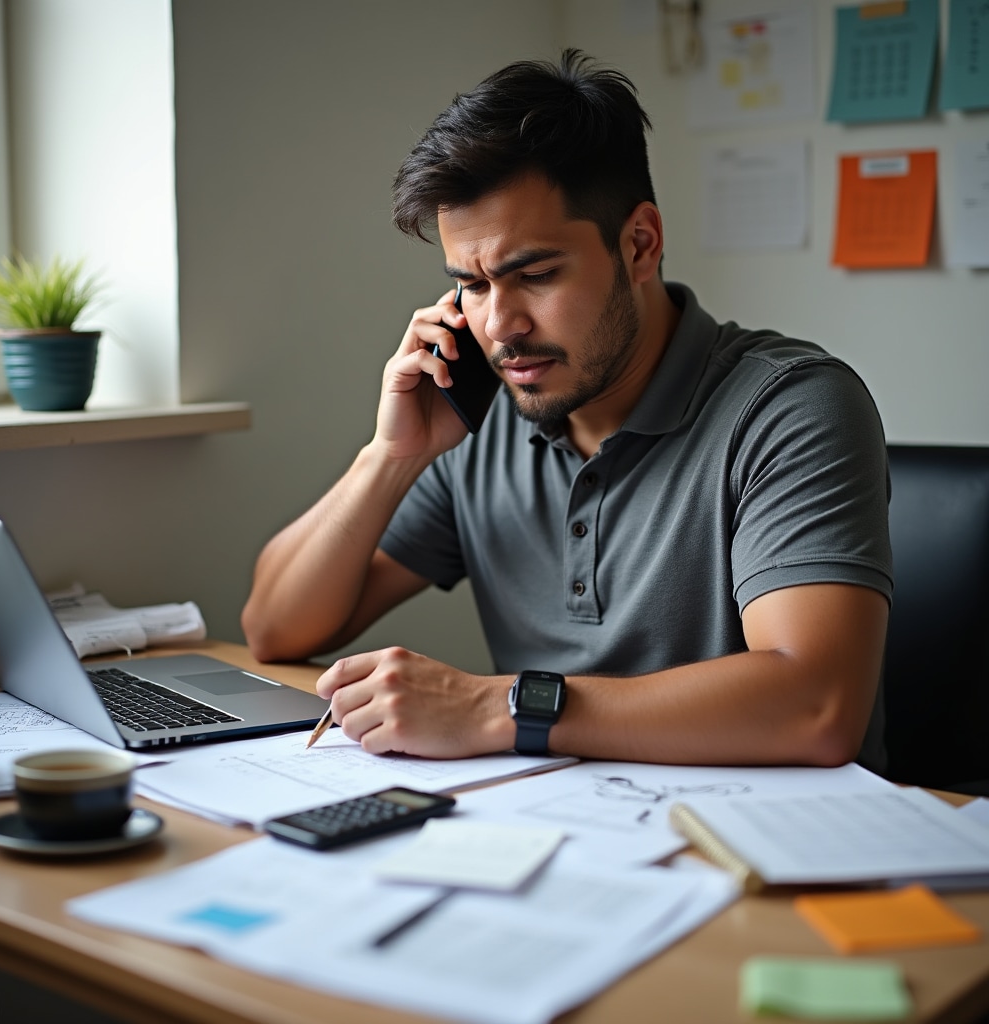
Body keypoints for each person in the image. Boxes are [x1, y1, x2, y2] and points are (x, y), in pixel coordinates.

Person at [242, 50, 892, 770]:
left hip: (768, 851)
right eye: (474, 286)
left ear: (639, 244)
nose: (499, 325)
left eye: (537, 275)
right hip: (564, 835)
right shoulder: (479, 420)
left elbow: (817, 707)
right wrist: (390, 457)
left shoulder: (790, 406)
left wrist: (495, 705)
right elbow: (275, 630)